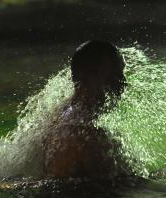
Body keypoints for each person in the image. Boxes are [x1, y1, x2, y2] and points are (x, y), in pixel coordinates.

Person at [42, 40, 128, 179]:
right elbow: (122, 187)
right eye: (116, 76)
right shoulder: (85, 136)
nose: (124, 84)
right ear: (90, 78)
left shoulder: (62, 113)